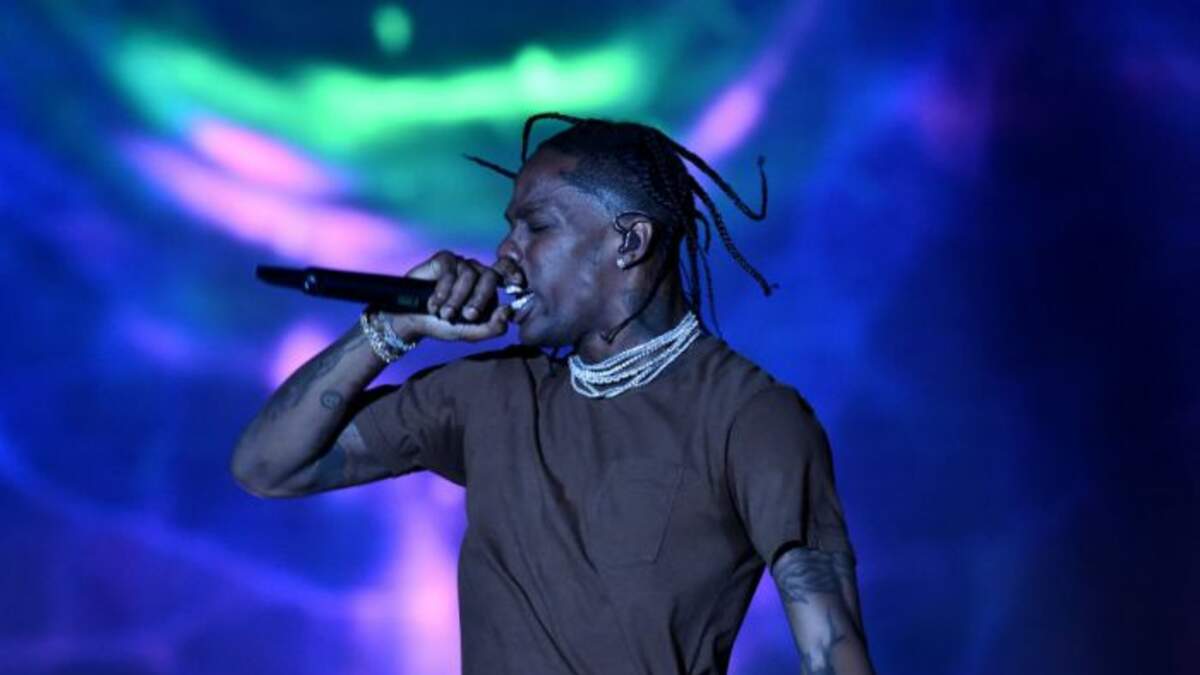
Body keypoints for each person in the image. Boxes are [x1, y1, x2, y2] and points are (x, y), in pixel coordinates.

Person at [231, 113, 874, 675]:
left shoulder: (750, 417)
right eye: (509, 229)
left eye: (536, 228)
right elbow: (267, 467)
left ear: (629, 241)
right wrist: (392, 328)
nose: (505, 253)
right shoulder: (487, 395)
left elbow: (832, 646)